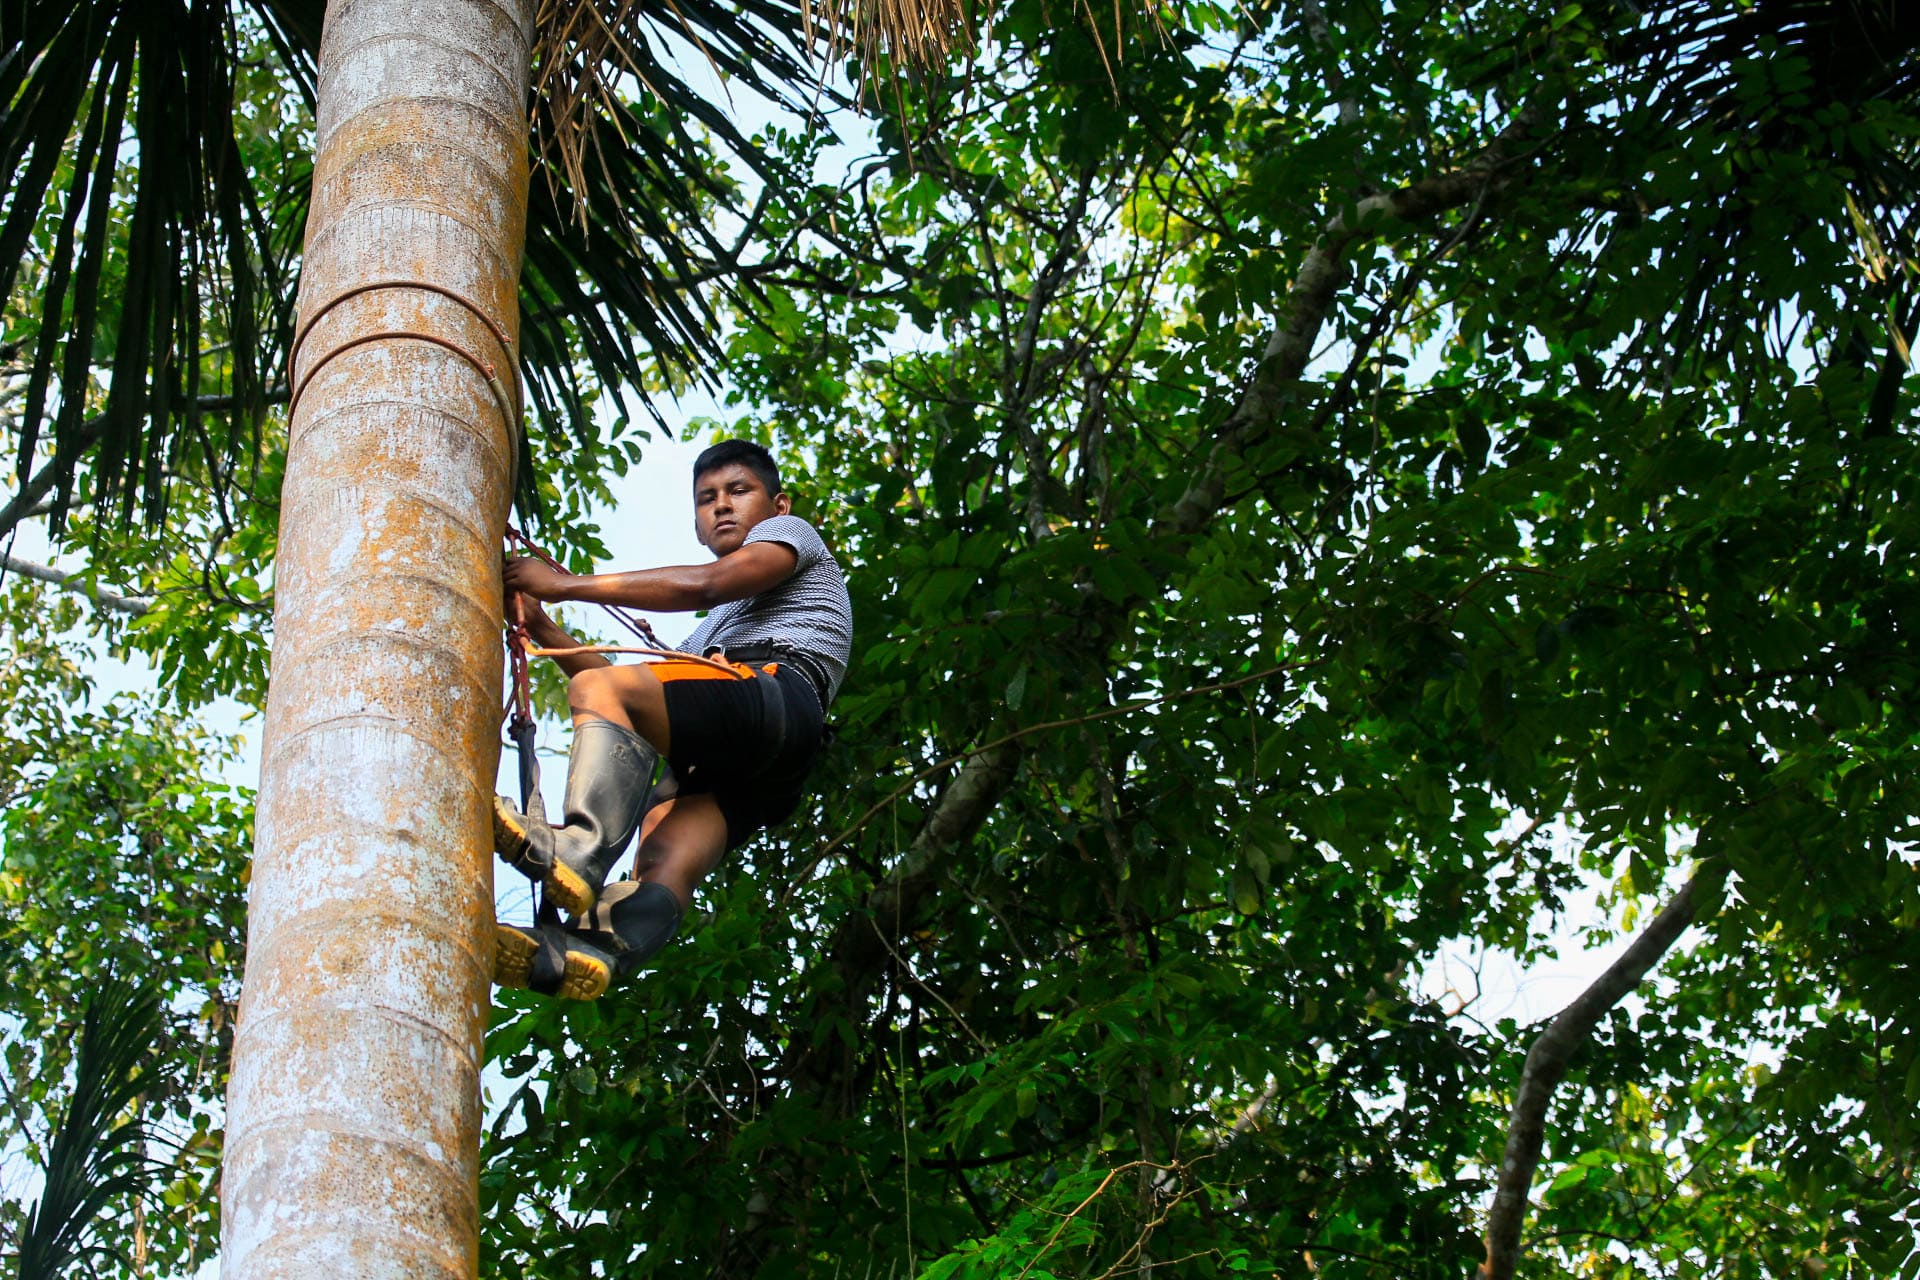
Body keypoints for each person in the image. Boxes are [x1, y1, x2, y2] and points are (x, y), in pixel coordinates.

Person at [491, 440, 853, 1000]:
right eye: (708, 500)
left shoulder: (793, 537)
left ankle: (579, 848)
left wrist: (563, 586)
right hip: (764, 761)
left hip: (776, 694)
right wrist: (540, 624)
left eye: (739, 491)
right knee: (661, 853)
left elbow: (703, 586)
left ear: (778, 506)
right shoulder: (712, 634)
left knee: (605, 691)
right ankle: (598, 948)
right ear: (697, 527)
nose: (723, 506)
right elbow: (623, 686)